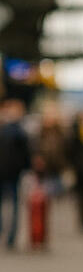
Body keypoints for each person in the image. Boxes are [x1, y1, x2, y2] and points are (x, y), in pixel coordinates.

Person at [0, 98, 31, 249]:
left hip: (13, 174)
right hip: (8, 173)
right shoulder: (13, 130)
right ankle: (6, 234)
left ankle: (11, 236)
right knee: (11, 205)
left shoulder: (20, 132)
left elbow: (26, 155)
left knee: (14, 205)